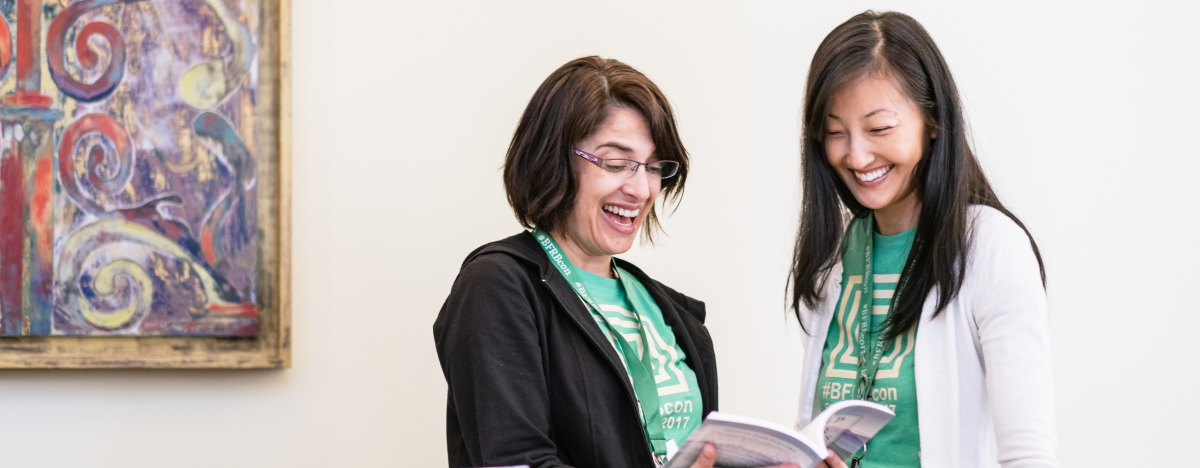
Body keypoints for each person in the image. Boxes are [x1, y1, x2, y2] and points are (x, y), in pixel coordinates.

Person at [788, 11, 1059, 468]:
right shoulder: (835, 256)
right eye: (835, 133)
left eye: (879, 129)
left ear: (932, 120)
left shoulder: (991, 248)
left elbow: (1029, 456)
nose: (856, 156)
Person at [435, 56, 732, 468]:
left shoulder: (671, 312)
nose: (641, 189)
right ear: (554, 160)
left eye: (653, 167)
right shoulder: (498, 285)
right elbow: (515, 461)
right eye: (616, 163)